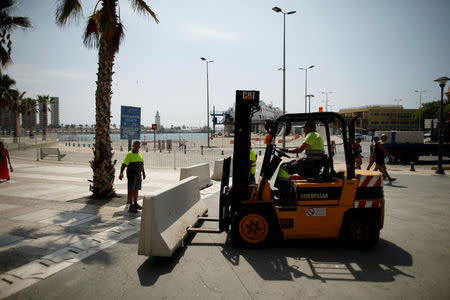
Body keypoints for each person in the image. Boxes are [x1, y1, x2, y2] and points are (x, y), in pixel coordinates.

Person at [119, 141, 146, 213]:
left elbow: (142, 165)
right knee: (131, 189)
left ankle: (135, 203)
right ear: (133, 146)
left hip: (138, 175)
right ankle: (131, 206)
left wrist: (143, 173)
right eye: (135, 146)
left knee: (136, 189)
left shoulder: (140, 154)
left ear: (139, 147)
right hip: (131, 175)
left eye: (138, 146)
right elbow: (124, 164)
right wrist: (121, 173)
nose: (136, 148)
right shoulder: (129, 154)